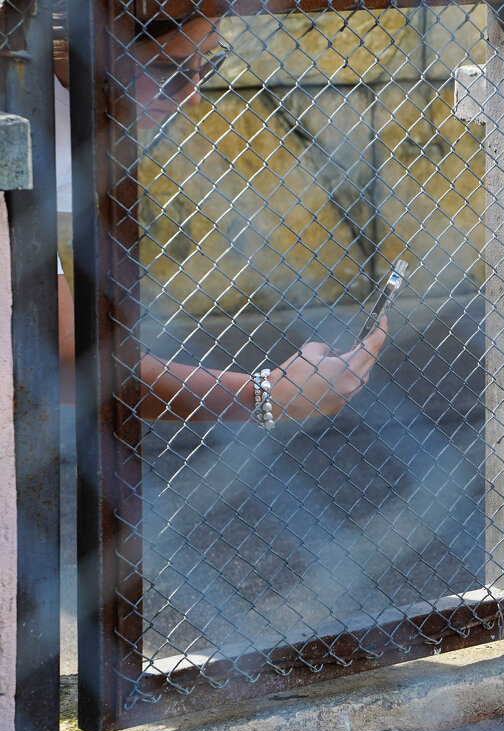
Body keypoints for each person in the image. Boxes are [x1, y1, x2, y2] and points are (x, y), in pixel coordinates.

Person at [54, 9, 387, 425]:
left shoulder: (67, 116)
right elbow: (64, 359)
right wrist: (269, 395)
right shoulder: (28, 124)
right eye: (168, 70)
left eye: (206, 63)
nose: (192, 95)